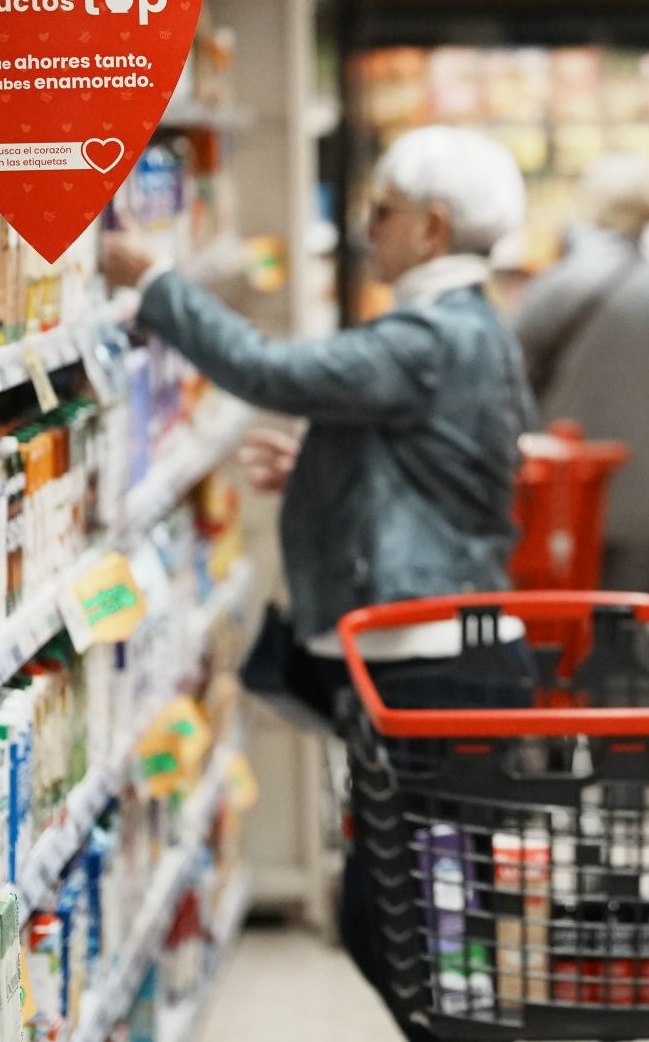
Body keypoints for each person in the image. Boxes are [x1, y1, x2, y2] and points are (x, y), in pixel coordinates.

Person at [100, 123, 535, 1042]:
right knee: (420, 912)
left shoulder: (432, 333)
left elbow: (272, 370)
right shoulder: (466, 329)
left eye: (382, 211)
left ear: (433, 226)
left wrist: (157, 283)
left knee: (408, 916)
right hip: (442, 648)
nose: (368, 228)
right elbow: (432, 466)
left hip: (428, 658)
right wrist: (322, 474)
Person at [511, 153, 649, 591]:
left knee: (562, 627)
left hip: (568, 492)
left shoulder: (558, 286)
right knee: (625, 623)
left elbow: (506, 367)